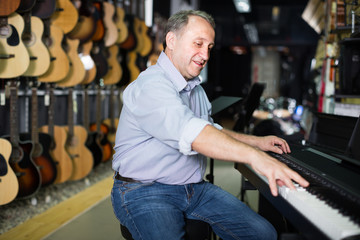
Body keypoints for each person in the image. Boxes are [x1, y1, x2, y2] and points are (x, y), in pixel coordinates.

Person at [111, 9, 309, 240]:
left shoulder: (195, 89)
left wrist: (258, 143)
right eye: (198, 44)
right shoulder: (152, 86)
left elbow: (210, 129)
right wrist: (255, 157)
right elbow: (195, 134)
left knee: (263, 234)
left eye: (209, 47)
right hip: (144, 191)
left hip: (194, 189)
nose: (204, 54)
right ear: (171, 40)